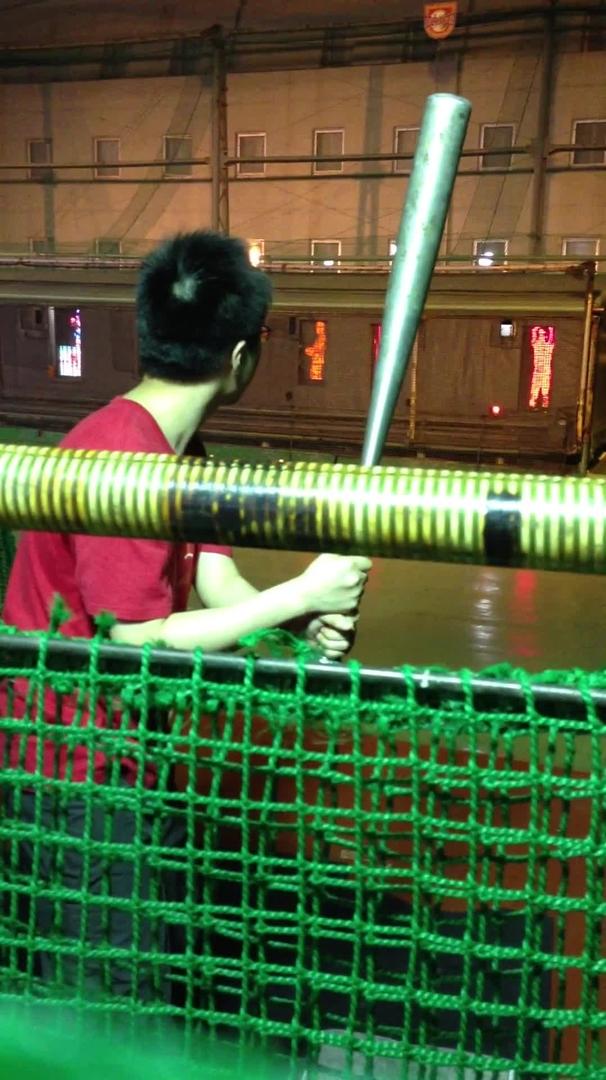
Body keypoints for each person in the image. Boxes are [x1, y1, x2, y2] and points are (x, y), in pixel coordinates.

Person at [0, 230, 370, 1003]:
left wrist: (300, 625)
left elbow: (216, 579)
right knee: (104, 995)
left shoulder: (180, 455)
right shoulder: (121, 462)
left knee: (147, 966)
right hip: (76, 779)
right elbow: (135, 642)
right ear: (241, 356)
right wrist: (297, 595)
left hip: (133, 758)